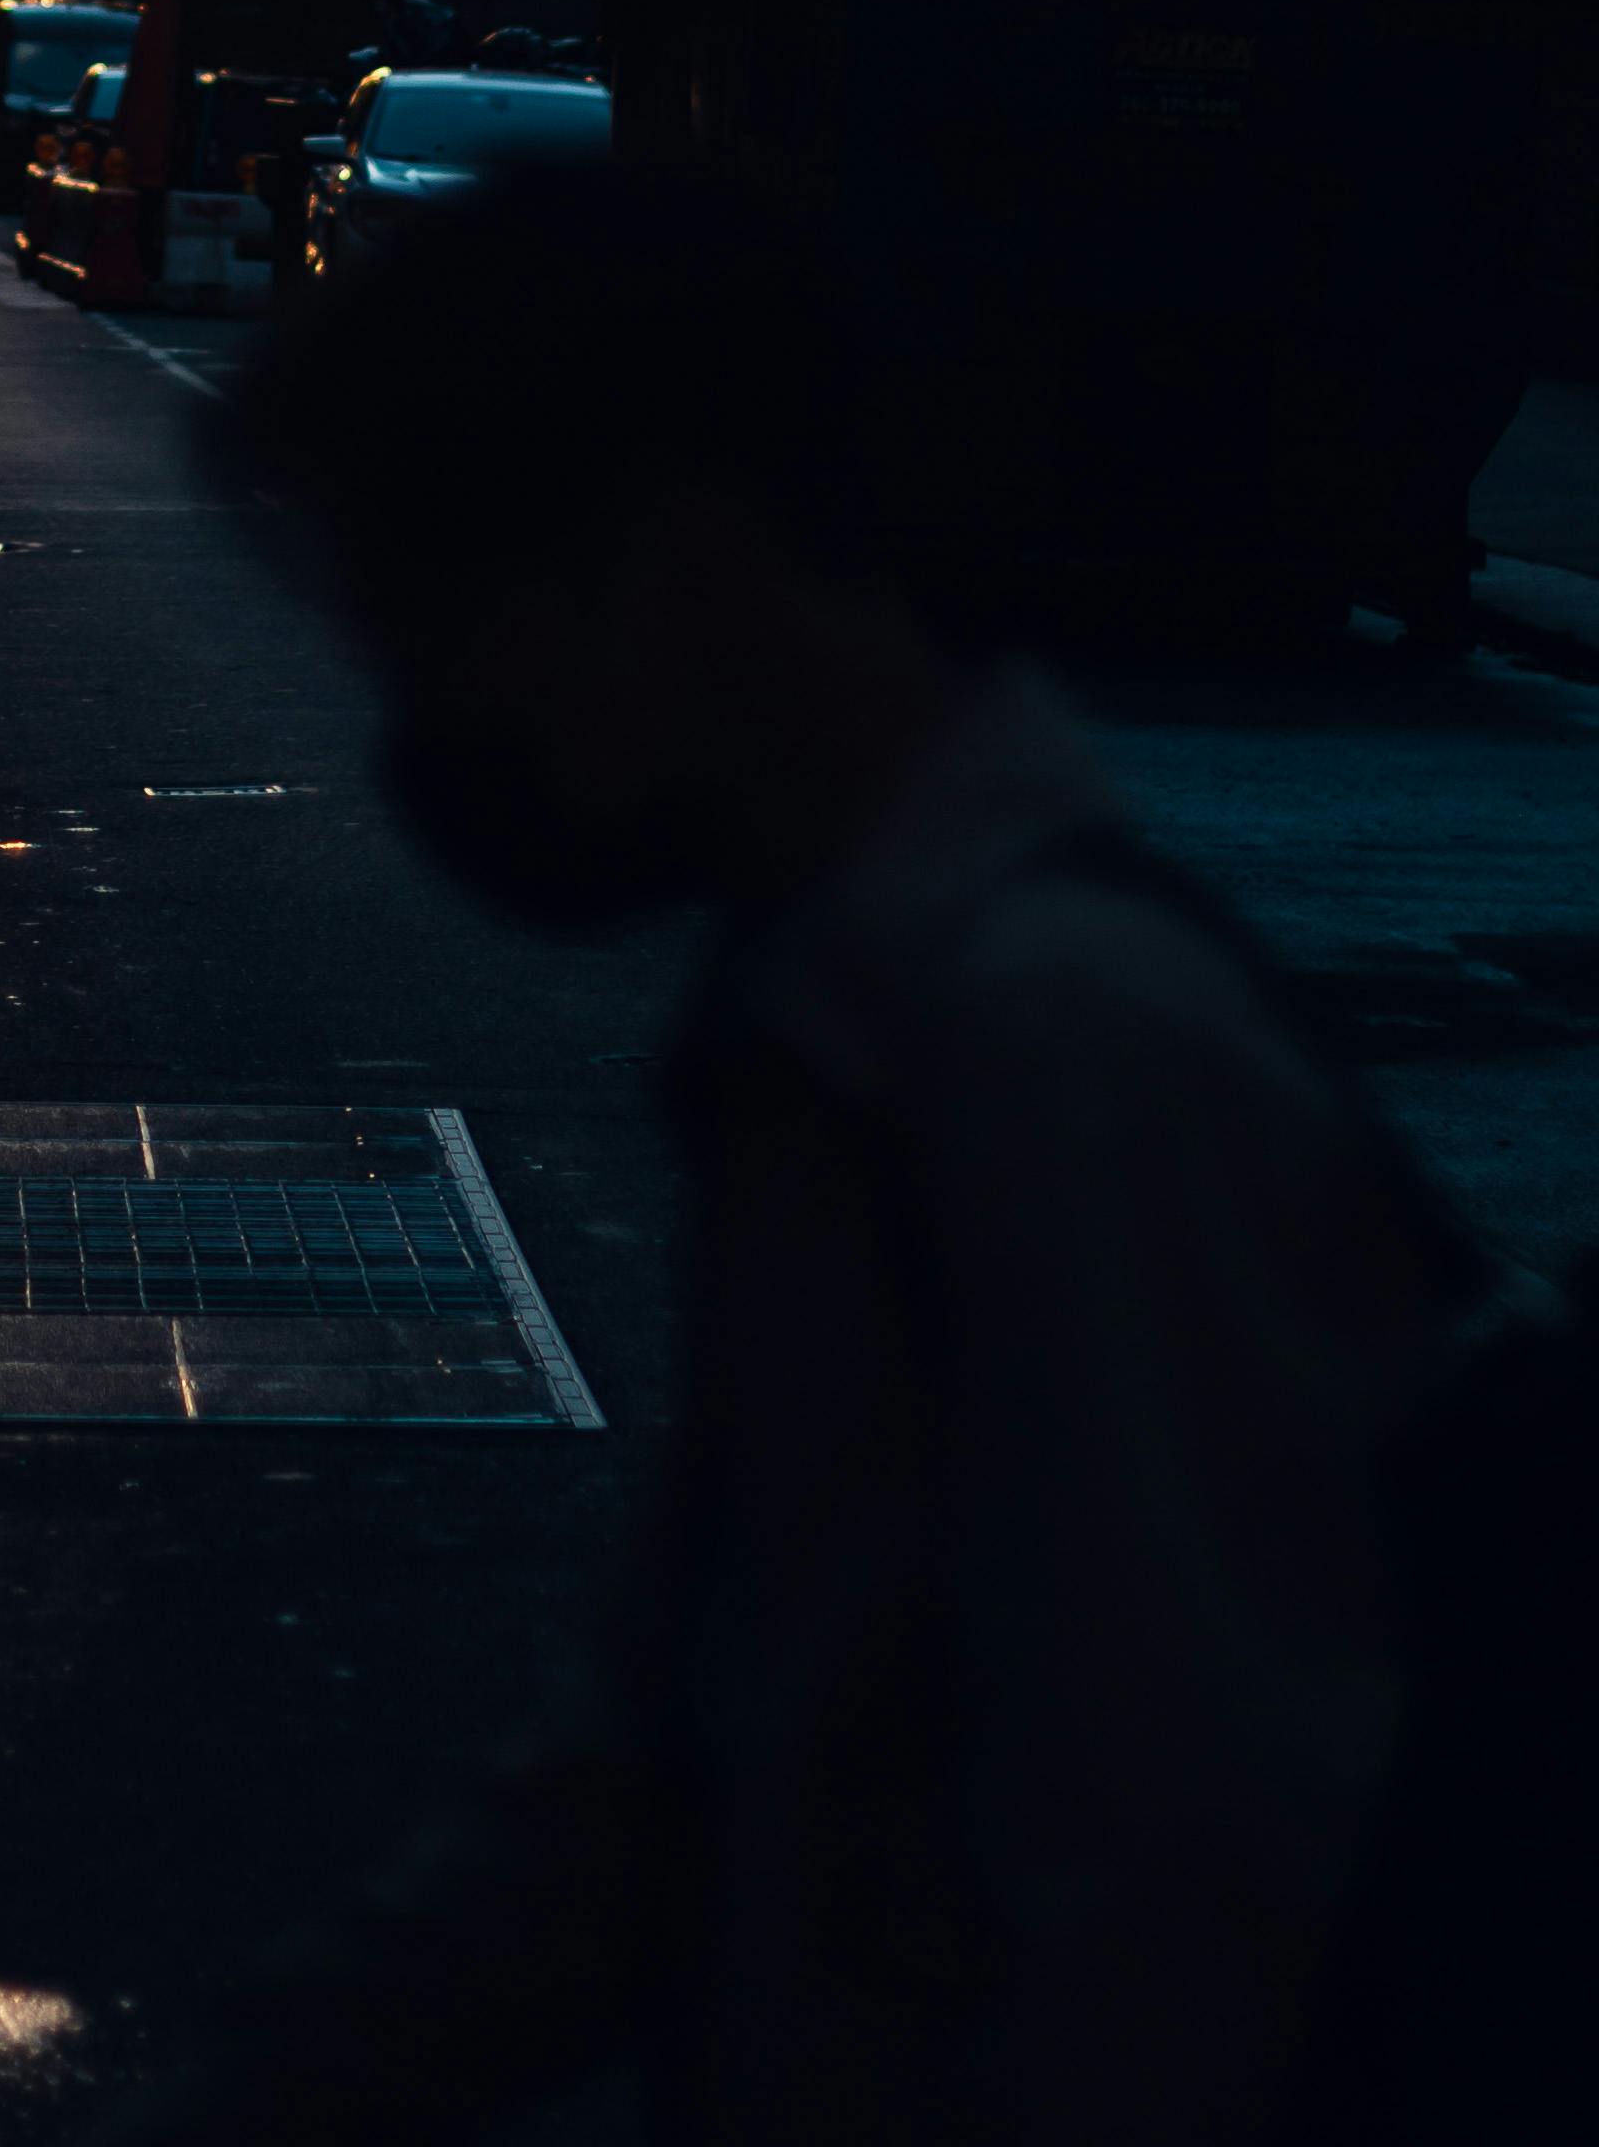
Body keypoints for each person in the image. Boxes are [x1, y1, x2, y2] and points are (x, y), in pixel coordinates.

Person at [161, 166, 1449, 2147]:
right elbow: (711, 1740)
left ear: (672, 561)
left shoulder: (1050, 1057)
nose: (427, 733)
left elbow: (1183, 1891)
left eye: (441, 630)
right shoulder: (855, 1025)